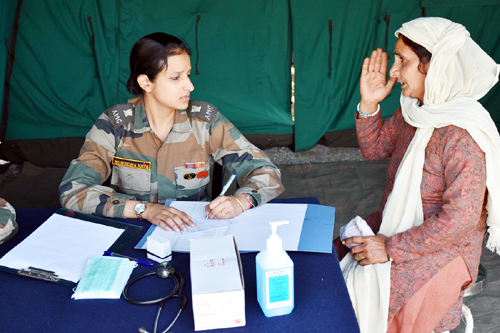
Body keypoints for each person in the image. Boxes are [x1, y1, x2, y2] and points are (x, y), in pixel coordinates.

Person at [335, 17, 500, 333]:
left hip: (446, 250)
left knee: (375, 295)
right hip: (396, 225)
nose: (393, 72)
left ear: (434, 66)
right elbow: (375, 148)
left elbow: (460, 220)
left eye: (403, 61)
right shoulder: (413, 110)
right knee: (333, 257)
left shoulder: (461, 135)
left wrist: (389, 247)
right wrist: (369, 104)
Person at [59, 33, 284, 232]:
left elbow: (266, 171)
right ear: (146, 82)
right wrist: (144, 210)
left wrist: (241, 201)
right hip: (134, 231)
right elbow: (74, 191)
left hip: (195, 231)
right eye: (176, 78)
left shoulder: (205, 121)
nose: (189, 85)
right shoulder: (114, 125)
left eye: (188, 74)